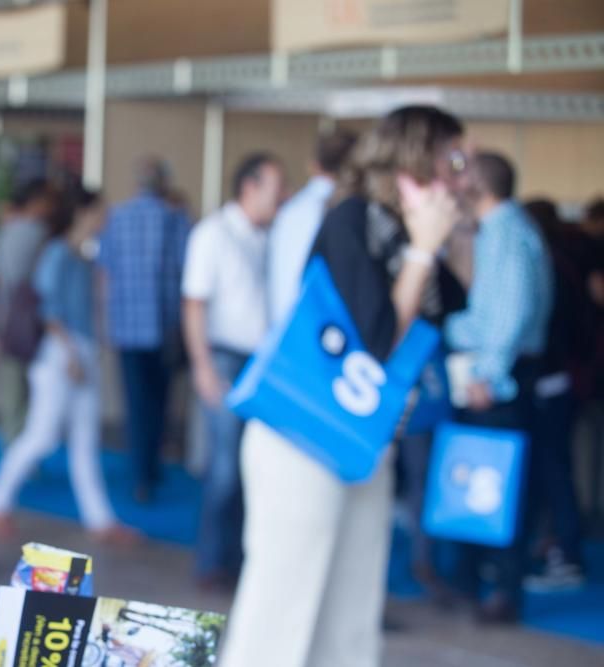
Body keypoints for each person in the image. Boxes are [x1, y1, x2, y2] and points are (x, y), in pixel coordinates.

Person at [221, 106, 468, 667]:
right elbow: (377, 339)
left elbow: (459, 301)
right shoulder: (352, 219)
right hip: (301, 435)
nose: (463, 174)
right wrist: (425, 249)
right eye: (454, 159)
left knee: (352, 617)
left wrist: (453, 230)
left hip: (361, 438)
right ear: (416, 159)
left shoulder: (406, 231)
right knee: (279, 615)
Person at [0, 188, 136, 545]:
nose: (105, 220)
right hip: (59, 357)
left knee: (84, 441)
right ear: (83, 214)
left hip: (78, 354)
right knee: (42, 435)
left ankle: (100, 520)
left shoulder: (81, 259)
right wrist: (69, 354)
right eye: (100, 212)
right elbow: (48, 309)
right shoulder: (58, 254)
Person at [444, 151, 553, 623]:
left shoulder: (508, 234)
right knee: (483, 478)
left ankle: (502, 593)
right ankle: (476, 583)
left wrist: (486, 375)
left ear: (479, 185)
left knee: (497, 483)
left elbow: (508, 317)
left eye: (461, 173)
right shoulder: (500, 230)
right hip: (494, 373)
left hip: (497, 381)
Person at [182, 153, 286, 588]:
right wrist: (203, 367)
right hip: (224, 358)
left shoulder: (266, 236)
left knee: (252, 466)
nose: (282, 198)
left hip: (258, 363)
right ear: (249, 186)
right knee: (224, 468)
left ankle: (241, 560)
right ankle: (212, 563)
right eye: (276, 188)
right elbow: (194, 303)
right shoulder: (213, 235)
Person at [98, 158, 189, 503]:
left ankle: (140, 478)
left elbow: (105, 273)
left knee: (135, 404)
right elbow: (185, 272)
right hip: (164, 326)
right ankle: (152, 469)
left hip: (126, 327)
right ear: (163, 183)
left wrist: (107, 322)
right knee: (160, 402)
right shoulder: (175, 218)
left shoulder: (117, 218)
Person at [522, 198, 587, 591]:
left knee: (554, 472)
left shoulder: (549, 267)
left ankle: (567, 555)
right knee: (553, 470)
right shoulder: (558, 263)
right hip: (564, 379)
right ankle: (555, 547)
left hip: (553, 380)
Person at [267, 128, 358, 328]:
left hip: (284, 329)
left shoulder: (290, 211)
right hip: (322, 331)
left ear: (313, 165)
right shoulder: (342, 212)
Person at [0, 179, 55, 444]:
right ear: (35, 203)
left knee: (11, 390)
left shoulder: (5, 232)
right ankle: (25, 449)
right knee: (29, 390)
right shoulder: (41, 234)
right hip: (33, 321)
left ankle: (10, 445)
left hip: (6, 318)